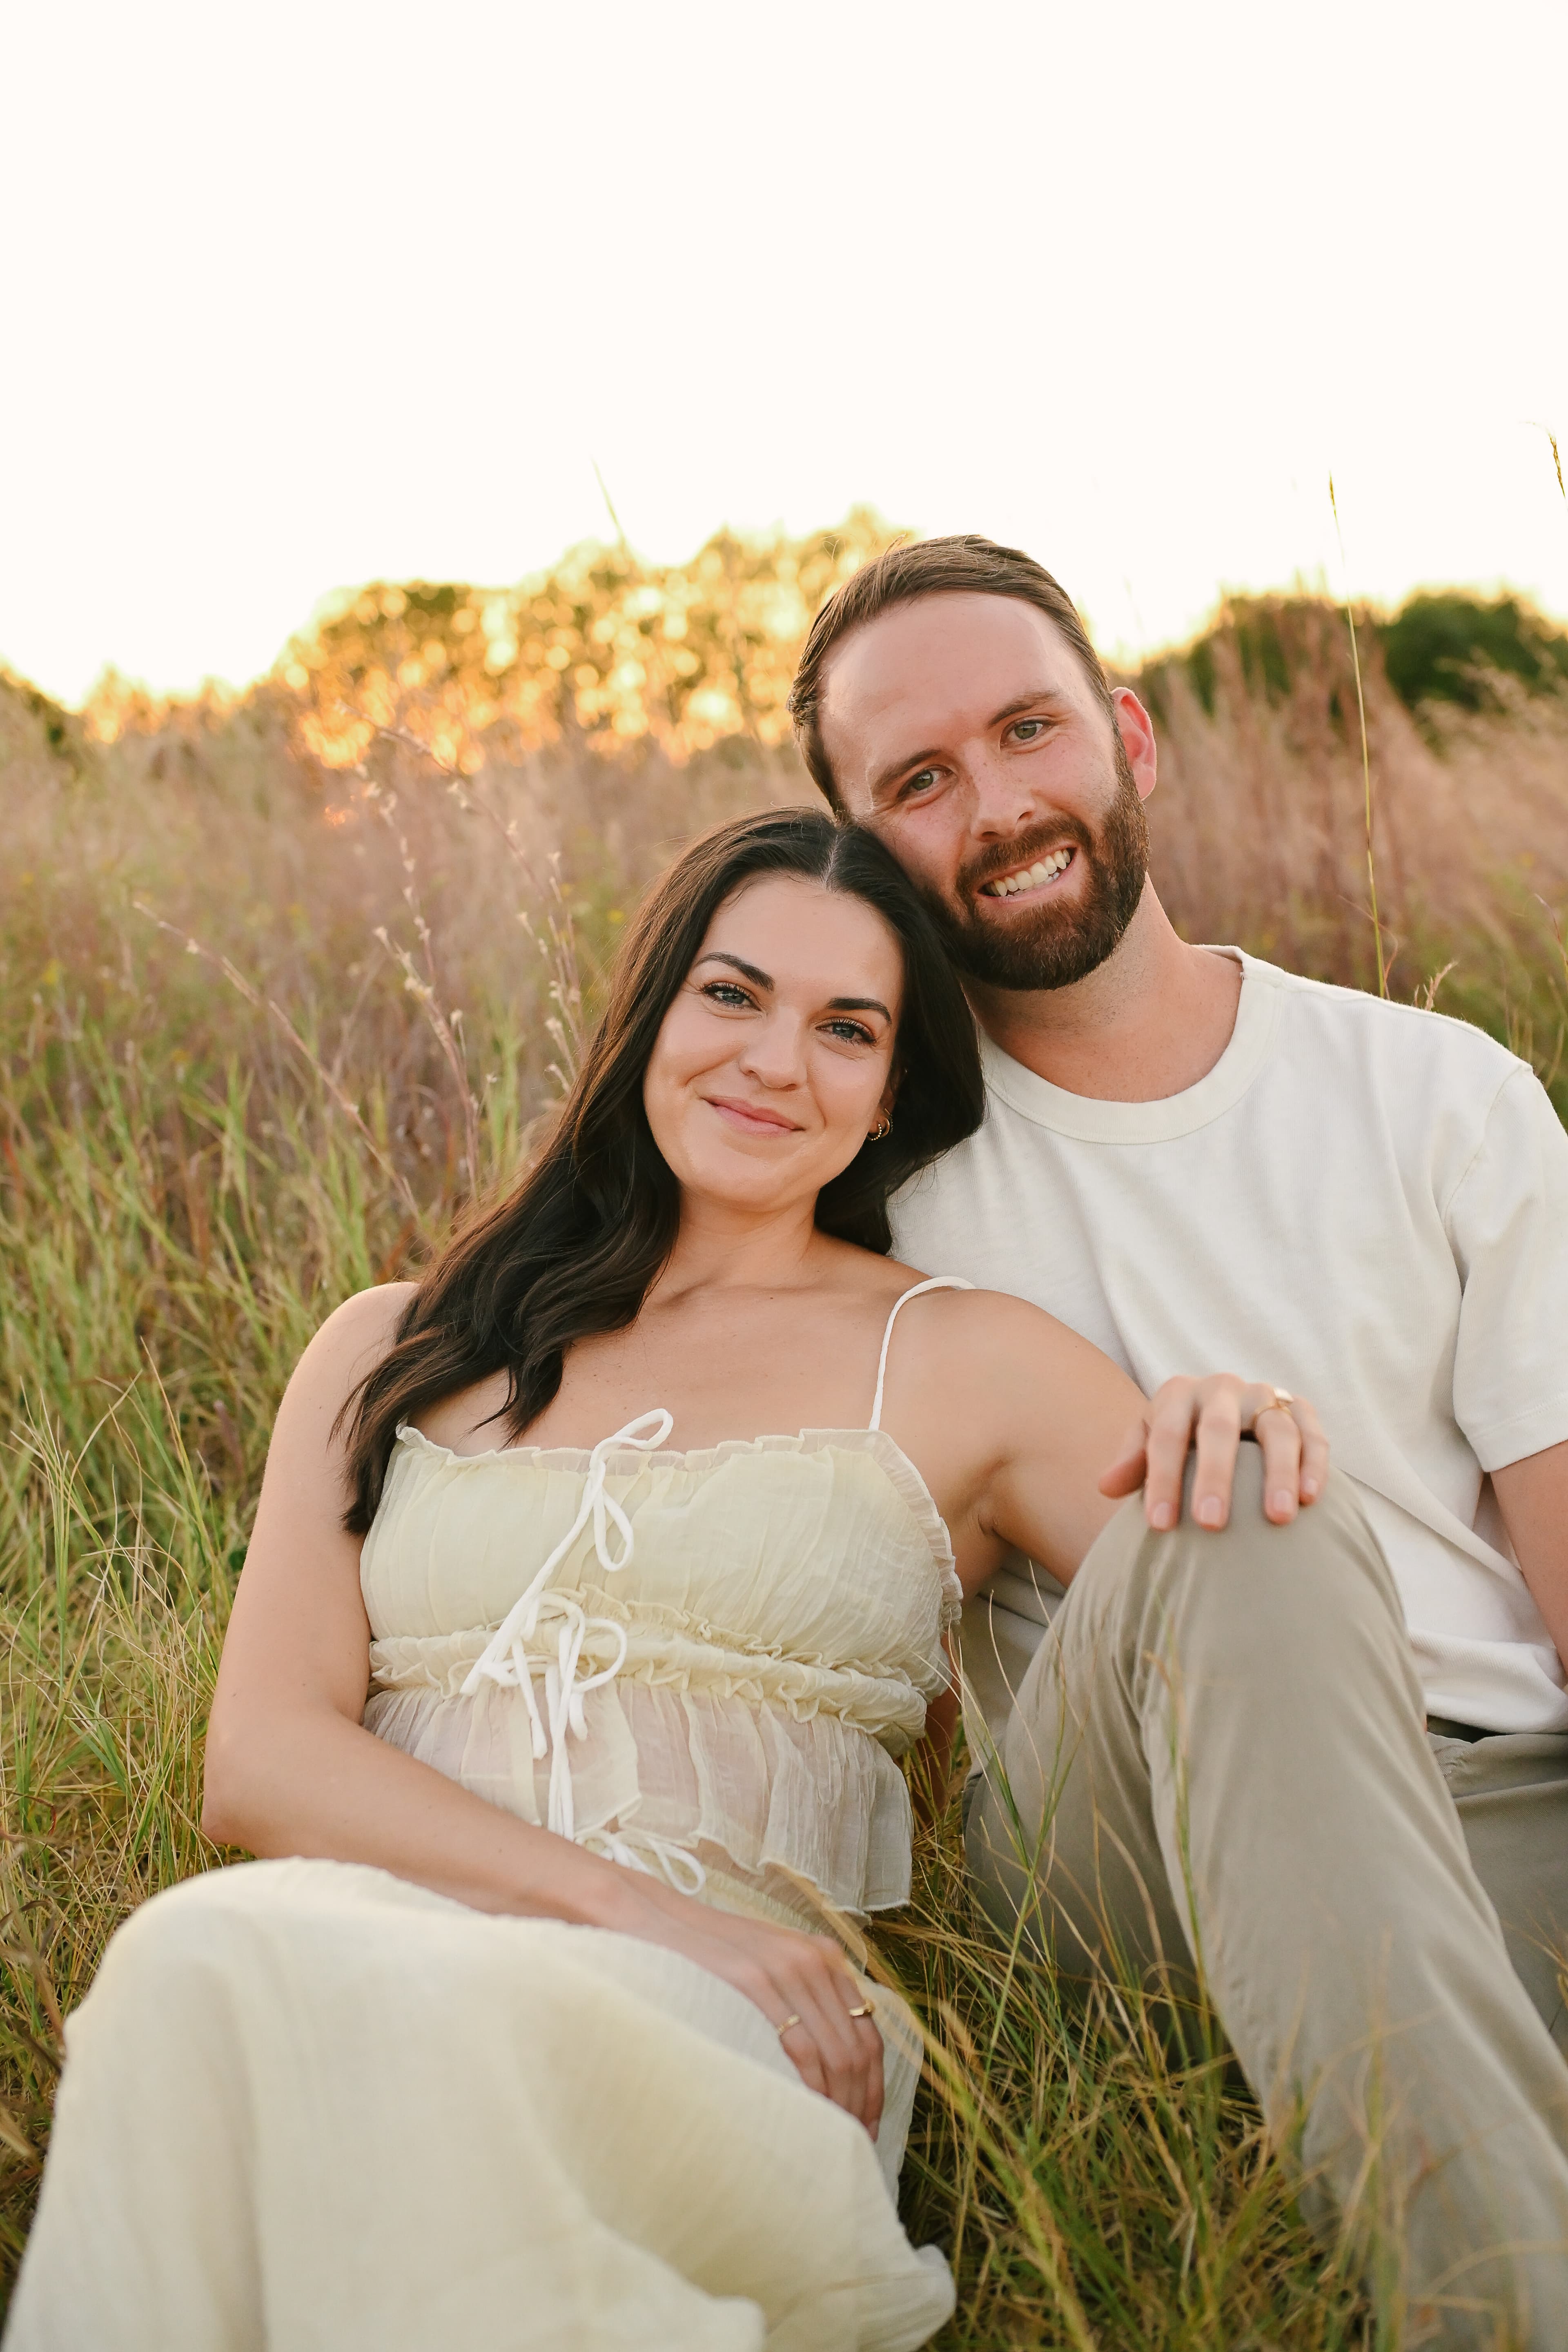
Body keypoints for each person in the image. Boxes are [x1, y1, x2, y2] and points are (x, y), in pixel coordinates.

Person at [7, 809, 1319, 2352]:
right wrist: (629, 1909)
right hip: (372, 1930)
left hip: (737, 2017)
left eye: (847, 1028)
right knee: (192, 1955)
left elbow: (1242, 1607)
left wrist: (1253, 1432)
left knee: (303, 2010)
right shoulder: (398, 1345)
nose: (776, 1061)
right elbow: (265, 1759)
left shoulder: (966, 1358)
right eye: (734, 994)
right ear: (651, 1011)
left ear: (894, 1088)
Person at [787, 535, 1568, 2346]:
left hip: (1504, 1799)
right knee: (1227, 1492)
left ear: (1128, 738)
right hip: (1133, 1855)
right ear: (861, 849)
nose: (997, 805)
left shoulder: (1438, 1092)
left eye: (1027, 730)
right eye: (919, 780)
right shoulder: (863, 1196)